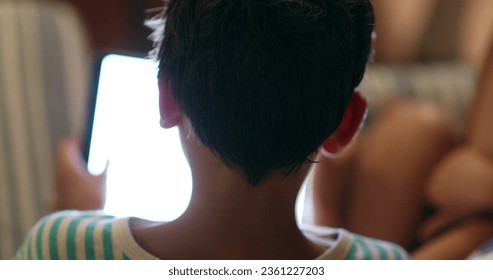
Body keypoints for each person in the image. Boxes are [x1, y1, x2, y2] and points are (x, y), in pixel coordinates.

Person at [13, 0, 410, 260]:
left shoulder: (62, 247)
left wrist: (76, 219)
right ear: (348, 124)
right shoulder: (387, 263)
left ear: (166, 100)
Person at [312, 28, 493, 259]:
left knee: (476, 233)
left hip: (480, 224)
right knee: (413, 132)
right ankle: (343, 246)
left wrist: (487, 187)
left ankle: (330, 229)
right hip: (459, 201)